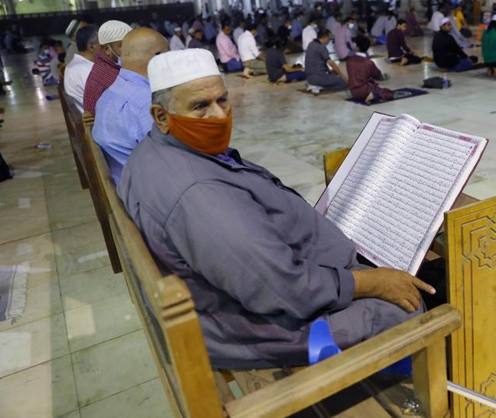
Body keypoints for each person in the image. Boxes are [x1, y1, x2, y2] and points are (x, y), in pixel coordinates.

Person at [117, 48, 432, 369]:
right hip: (258, 328)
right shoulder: (197, 193)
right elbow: (283, 290)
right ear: (161, 116)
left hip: (243, 295)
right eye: (200, 106)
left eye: (222, 100)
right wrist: (373, 283)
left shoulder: (156, 151)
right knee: (403, 309)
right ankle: (412, 389)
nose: (218, 115)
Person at [92, 28, 169, 183]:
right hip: (147, 191)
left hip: (125, 180)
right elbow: (172, 164)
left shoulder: (111, 91)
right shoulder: (147, 104)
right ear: (159, 58)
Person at [84, 20, 132, 115]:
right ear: (106, 49)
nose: (130, 51)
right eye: (122, 46)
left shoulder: (107, 66)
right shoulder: (108, 76)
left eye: (132, 45)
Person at [346, 36, 393, 103]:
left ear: (357, 47)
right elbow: (377, 74)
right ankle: (372, 95)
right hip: (365, 90)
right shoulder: (368, 62)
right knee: (388, 93)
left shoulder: (349, 61)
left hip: (353, 92)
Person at [64, 25, 99, 111]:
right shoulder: (87, 70)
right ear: (91, 46)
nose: (106, 48)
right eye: (103, 44)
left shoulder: (74, 65)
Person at [305, 29, 347, 94]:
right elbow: (330, 62)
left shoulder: (311, 44)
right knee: (342, 83)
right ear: (325, 37)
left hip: (310, 77)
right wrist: (341, 75)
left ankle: (314, 84)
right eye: (328, 38)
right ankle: (320, 87)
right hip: (318, 77)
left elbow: (318, 62)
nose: (329, 40)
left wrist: (329, 71)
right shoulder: (321, 47)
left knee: (333, 78)